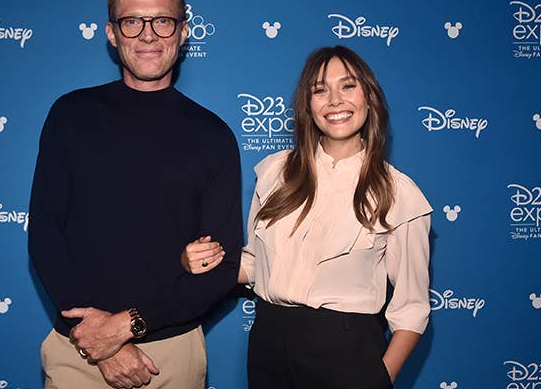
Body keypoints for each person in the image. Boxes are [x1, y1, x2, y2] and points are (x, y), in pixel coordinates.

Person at [28, 0, 243, 389]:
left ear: (183, 32)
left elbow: (222, 267)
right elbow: (45, 234)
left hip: (172, 355)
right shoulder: (70, 115)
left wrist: (126, 327)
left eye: (162, 20)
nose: (148, 34)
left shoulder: (213, 136)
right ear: (111, 33)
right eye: (133, 21)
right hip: (78, 348)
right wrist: (97, 337)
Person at [182, 45, 432, 388]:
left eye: (348, 86)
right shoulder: (274, 172)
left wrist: (378, 379)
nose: (334, 100)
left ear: (369, 98)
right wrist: (200, 260)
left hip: (349, 355)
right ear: (307, 106)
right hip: (268, 346)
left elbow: (411, 308)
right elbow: (256, 264)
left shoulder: (399, 192)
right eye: (319, 90)